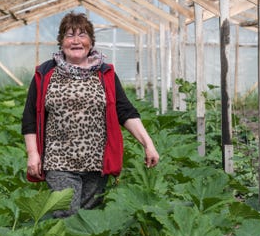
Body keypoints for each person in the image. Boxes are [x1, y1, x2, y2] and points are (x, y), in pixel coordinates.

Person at [21, 11, 159, 219]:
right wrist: (33, 154)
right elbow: (30, 117)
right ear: (61, 42)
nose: (76, 41)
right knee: (66, 213)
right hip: (58, 160)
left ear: (91, 41)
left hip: (96, 162)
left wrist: (147, 144)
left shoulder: (104, 73)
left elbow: (125, 111)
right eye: (69, 35)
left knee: (89, 219)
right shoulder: (45, 73)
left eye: (82, 35)